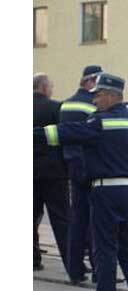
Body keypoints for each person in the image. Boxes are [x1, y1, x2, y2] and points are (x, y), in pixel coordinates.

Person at [34, 73, 128, 291]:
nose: (95, 101)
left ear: (111, 97)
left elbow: (61, 134)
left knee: (104, 249)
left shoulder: (99, 124)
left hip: (105, 191)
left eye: (98, 96)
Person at [60, 65, 102, 284]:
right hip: (89, 165)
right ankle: (100, 269)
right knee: (96, 219)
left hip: (71, 163)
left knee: (77, 219)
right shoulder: (91, 106)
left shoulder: (66, 104)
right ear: (90, 81)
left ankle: (75, 269)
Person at [33, 73, 70, 273]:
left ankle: (33, 259)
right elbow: (63, 136)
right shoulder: (56, 107)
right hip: (54, 171)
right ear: (44, 87)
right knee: (61, 218)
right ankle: (70, 263)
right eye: (51, 86)